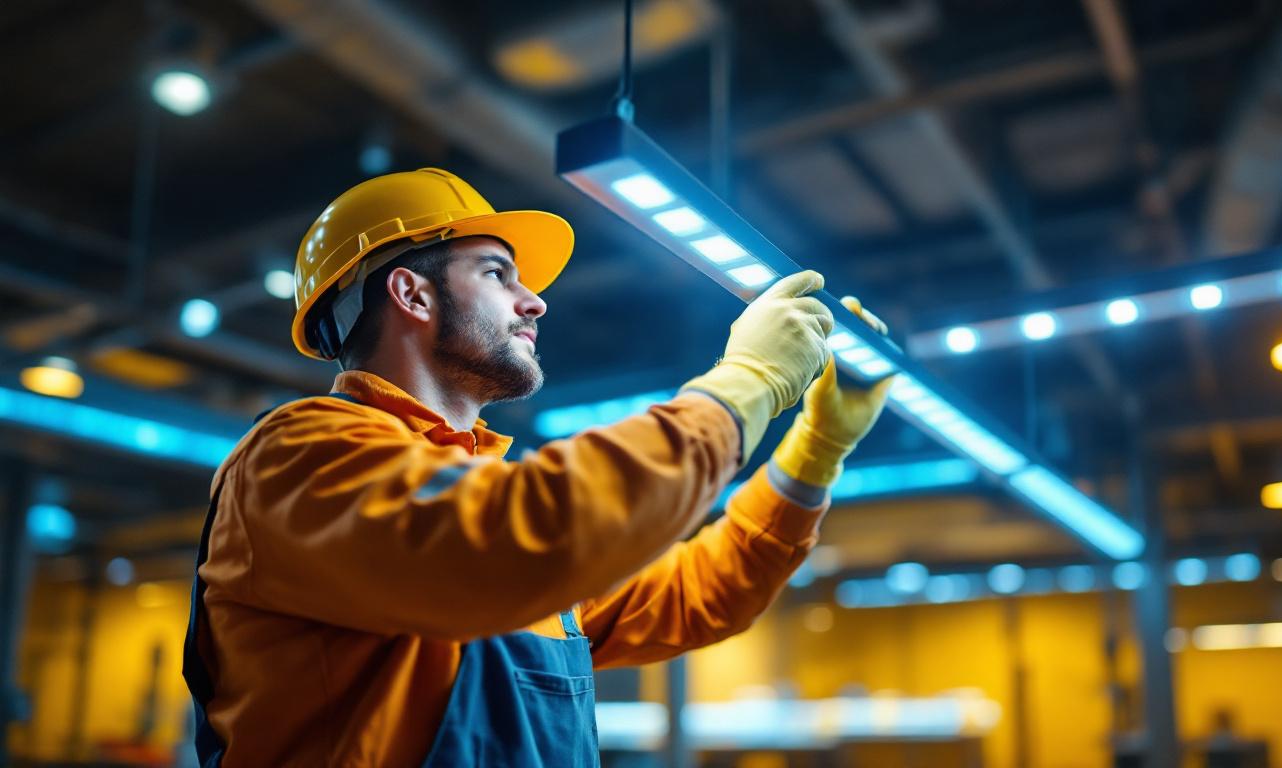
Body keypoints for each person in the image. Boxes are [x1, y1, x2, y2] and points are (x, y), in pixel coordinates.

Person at [182, 168, 894, 766]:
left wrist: (818, 447)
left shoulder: (485, 503)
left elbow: (699, 593)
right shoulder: (296, 456)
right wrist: (750, 380)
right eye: (498, 273)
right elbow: (517, 538)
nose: (536, 301)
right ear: (412, 294)